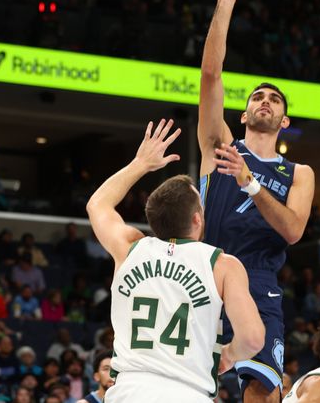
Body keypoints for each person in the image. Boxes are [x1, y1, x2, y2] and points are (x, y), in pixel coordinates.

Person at [198, 0, 315, 402]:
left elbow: (293, 230)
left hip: (260, 282)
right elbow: (211, 76)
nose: (266, 101)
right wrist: (226, 0)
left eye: (275, 99)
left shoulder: (299, 173)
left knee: (264, 393)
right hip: (205, 274)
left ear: (284, 121)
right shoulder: (221, 147)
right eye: (257, 97)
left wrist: (250, 183)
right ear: (244, 114)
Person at [85, 119, 264, 403]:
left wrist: (140, 163)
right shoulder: (222, 265)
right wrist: (227, 356)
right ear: (196, 218)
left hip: (128, 390)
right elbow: (253, 338)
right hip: (188, 393)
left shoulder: (130, 248)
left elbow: (97, 204)